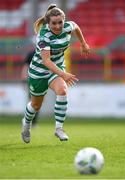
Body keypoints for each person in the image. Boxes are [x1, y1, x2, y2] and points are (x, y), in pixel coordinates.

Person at [21, 3, 90, 143]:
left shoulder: (67, 27)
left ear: (64, 21)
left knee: (63, 90)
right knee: (36, 106)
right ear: (48, 22)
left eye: (60, 22)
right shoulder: (43, 35)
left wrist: (83, 43)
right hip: (38, 72)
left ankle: (59, 129)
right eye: (54, 23)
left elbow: (75, 26)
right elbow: (46, 61)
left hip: (56, 68)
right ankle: (26, 124)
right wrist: (64, 74)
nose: (58, 26)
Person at [21, 50, 39, 127]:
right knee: (33, 101)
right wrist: (24, 80)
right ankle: (28, 121)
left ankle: (32, 122)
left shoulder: (46, 52)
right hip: (32, 80)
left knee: (38, 103)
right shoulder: (32, 53)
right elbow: (26, 67)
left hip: (42, 81)